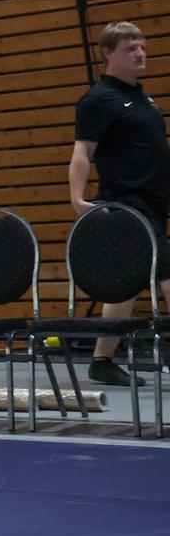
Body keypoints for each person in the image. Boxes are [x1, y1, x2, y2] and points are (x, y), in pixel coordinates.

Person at [69, 21, 170, 387]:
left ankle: (101, 360)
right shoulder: (98, 99)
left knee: (127, 286)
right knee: (167, 275)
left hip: (154, 204)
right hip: (129, 206)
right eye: (130, 48)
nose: (141, 53)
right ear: (108, 53)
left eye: (142, 46)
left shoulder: (143, 99)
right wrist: (77, 197)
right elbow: (83, 150)